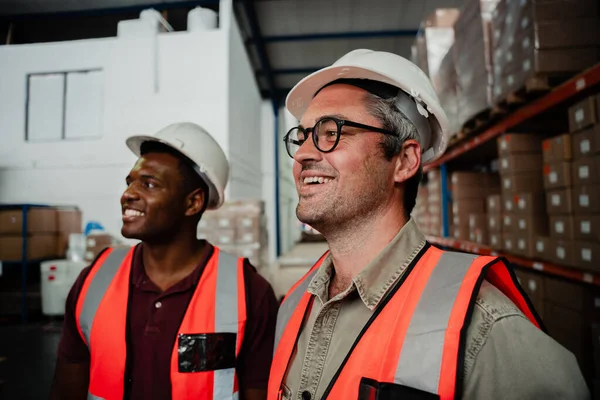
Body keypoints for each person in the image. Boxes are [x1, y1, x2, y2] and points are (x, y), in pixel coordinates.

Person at [267, 49, 590, 400]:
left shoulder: (480, 327)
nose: (302, 154)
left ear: (404, 161)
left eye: (331, 132)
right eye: (301, 136)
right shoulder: (293, 306)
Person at [51, 122, 279, 400]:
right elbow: (66, 388)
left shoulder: (249, 292)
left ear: (193, 203)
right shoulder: (95, 280)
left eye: (149, 184)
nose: (128, 194)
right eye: (130, 182)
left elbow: (260, 390)